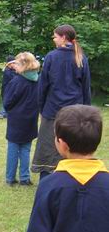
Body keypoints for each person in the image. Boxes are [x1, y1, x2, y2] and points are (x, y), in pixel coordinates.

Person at [32, 25, 91, 179]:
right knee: (72, 147)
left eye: (55, 36)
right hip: (74, 112)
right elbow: (86, 89)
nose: (53, 39)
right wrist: (86, 112)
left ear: (63, 37)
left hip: (55, 112)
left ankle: (47, 181)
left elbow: (42, 86)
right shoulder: (80, 57)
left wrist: (42, 108)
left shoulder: (54, 57)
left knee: (48, 147)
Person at [3, 52, 39, 186]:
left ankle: (10, 177)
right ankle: (25, 178)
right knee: (25, 148)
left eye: (17, 63)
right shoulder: (37, 80)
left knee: (13, 148)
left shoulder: (17, 81)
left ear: (24, 65)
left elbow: (7, 102)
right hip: (31, 118)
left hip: (17, 119)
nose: (15, 66)